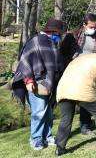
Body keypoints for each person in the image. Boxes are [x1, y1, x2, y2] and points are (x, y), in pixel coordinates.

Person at [12, 19, 65, 150]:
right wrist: (29, 81)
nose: (59, 36)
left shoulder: (52, 43)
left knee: (48, 113)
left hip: (49, 84)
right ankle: (36, 138)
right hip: (36, 82)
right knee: (39, 112)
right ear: (52, 31)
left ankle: (47, 136)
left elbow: (55, 65)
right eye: (58, 33)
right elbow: (25, 61)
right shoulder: (35, 41)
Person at [61, 13, 96, 135]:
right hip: (73, 73)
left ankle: (85, 126)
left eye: (95, 27)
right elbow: (63, 54)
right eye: (91, 27)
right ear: (84, 25)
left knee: (87, 99)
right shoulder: (72, 36)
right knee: (70, 104)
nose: (93, 29)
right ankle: (65, 131)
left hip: (90, 73)